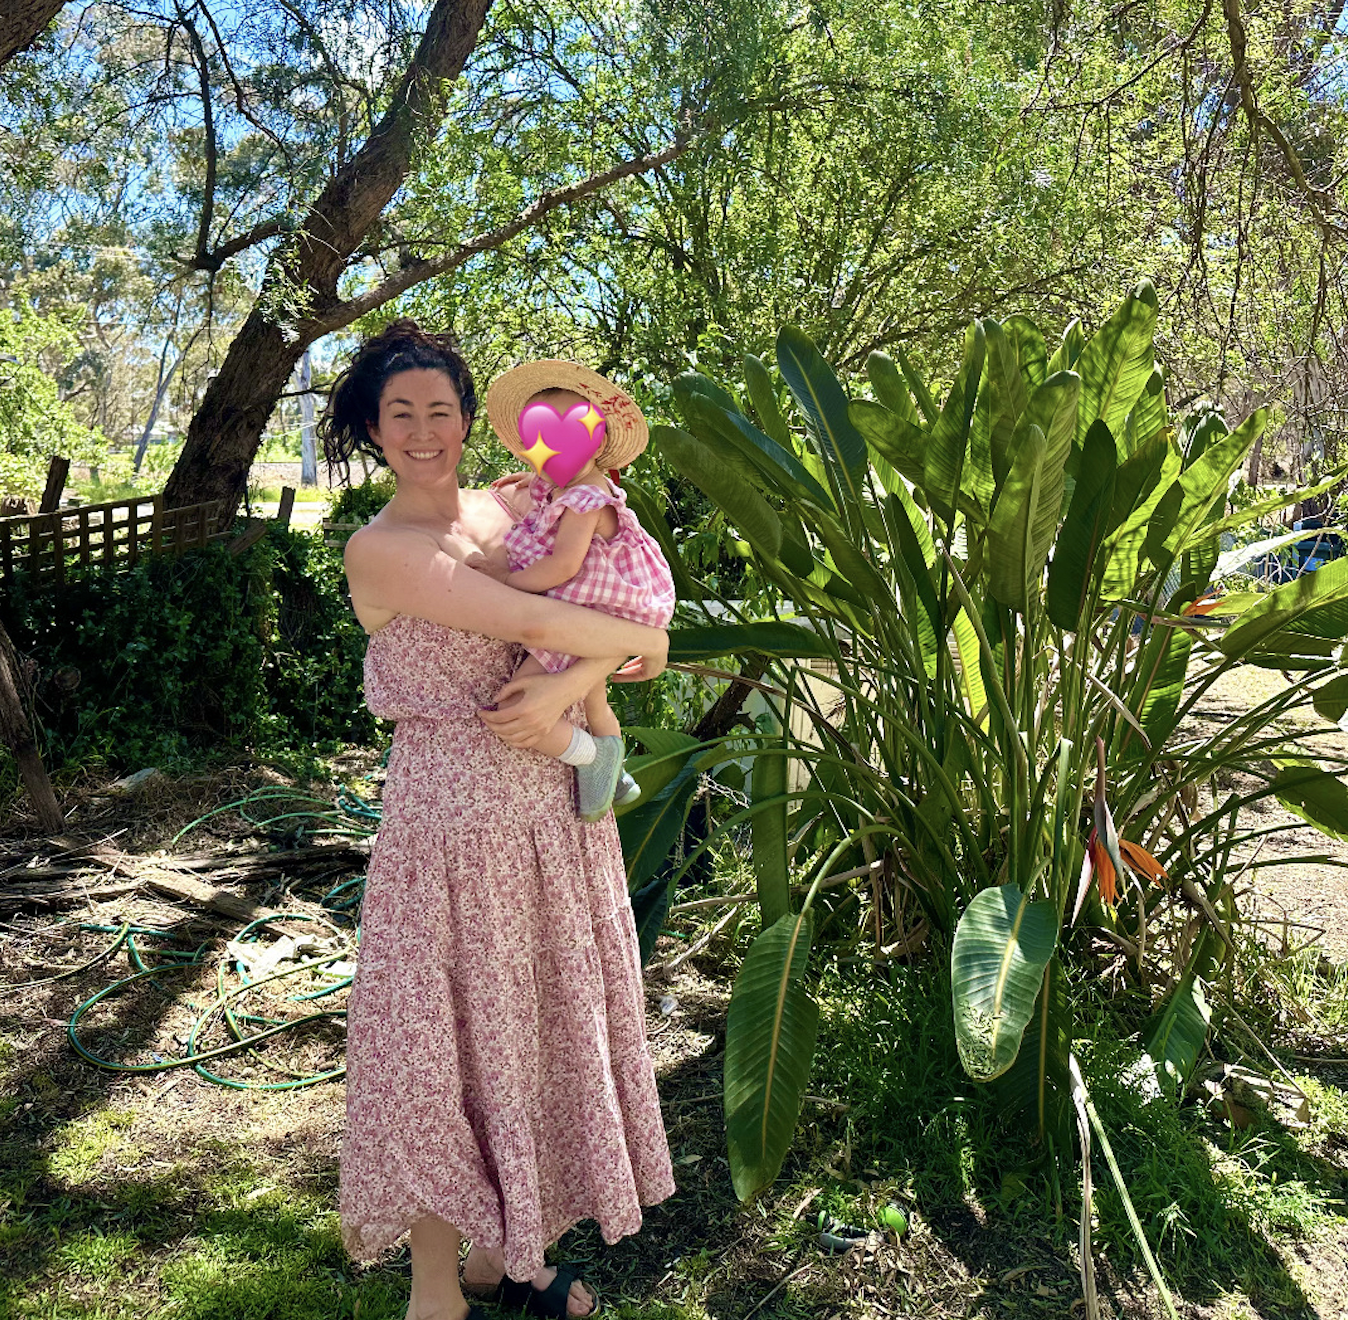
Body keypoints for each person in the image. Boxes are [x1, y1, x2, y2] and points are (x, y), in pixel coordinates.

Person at [322, 320, 676, 1320]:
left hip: (551, 820)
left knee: (525, 1042)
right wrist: (639, 641)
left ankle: (498, 1260)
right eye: (401, 414)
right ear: (371, 428)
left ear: (473, 422)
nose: (423, 430)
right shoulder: (381, 548)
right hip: (446, 834)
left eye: (441, 410)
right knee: (439, 1053)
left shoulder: (517, 506)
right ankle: (434, 1290)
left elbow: (614, 614)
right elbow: (532, 623)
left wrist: (609, 662)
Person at [470, 360, 676, 821]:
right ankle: (616, 773)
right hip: (601, 607)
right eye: (539, 446)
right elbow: (555, 474)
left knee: (517, 706)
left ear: (597, 441)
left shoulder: (586, 501)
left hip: (597, 608)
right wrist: (531, 479)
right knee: (594, 696)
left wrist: (504, 583)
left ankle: (592, 757)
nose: (548, 456)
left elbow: (562, 567)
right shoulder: (567, 482)